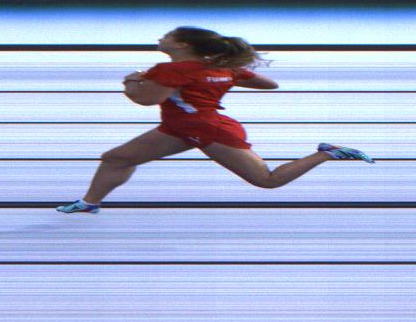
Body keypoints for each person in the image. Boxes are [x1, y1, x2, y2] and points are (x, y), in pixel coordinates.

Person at [59, 26, 376, 213]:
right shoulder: (221, 67)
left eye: (167, 36)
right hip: (180, 128)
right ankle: (89, 203)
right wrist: (218, 78)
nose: (161, 38)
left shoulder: (170, 69)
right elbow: (269, 85)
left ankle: (327, 153)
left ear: (181, 45)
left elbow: (145, 99)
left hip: (205, 130)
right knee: (116, 158)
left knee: (267, 180)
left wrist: (131, 80)